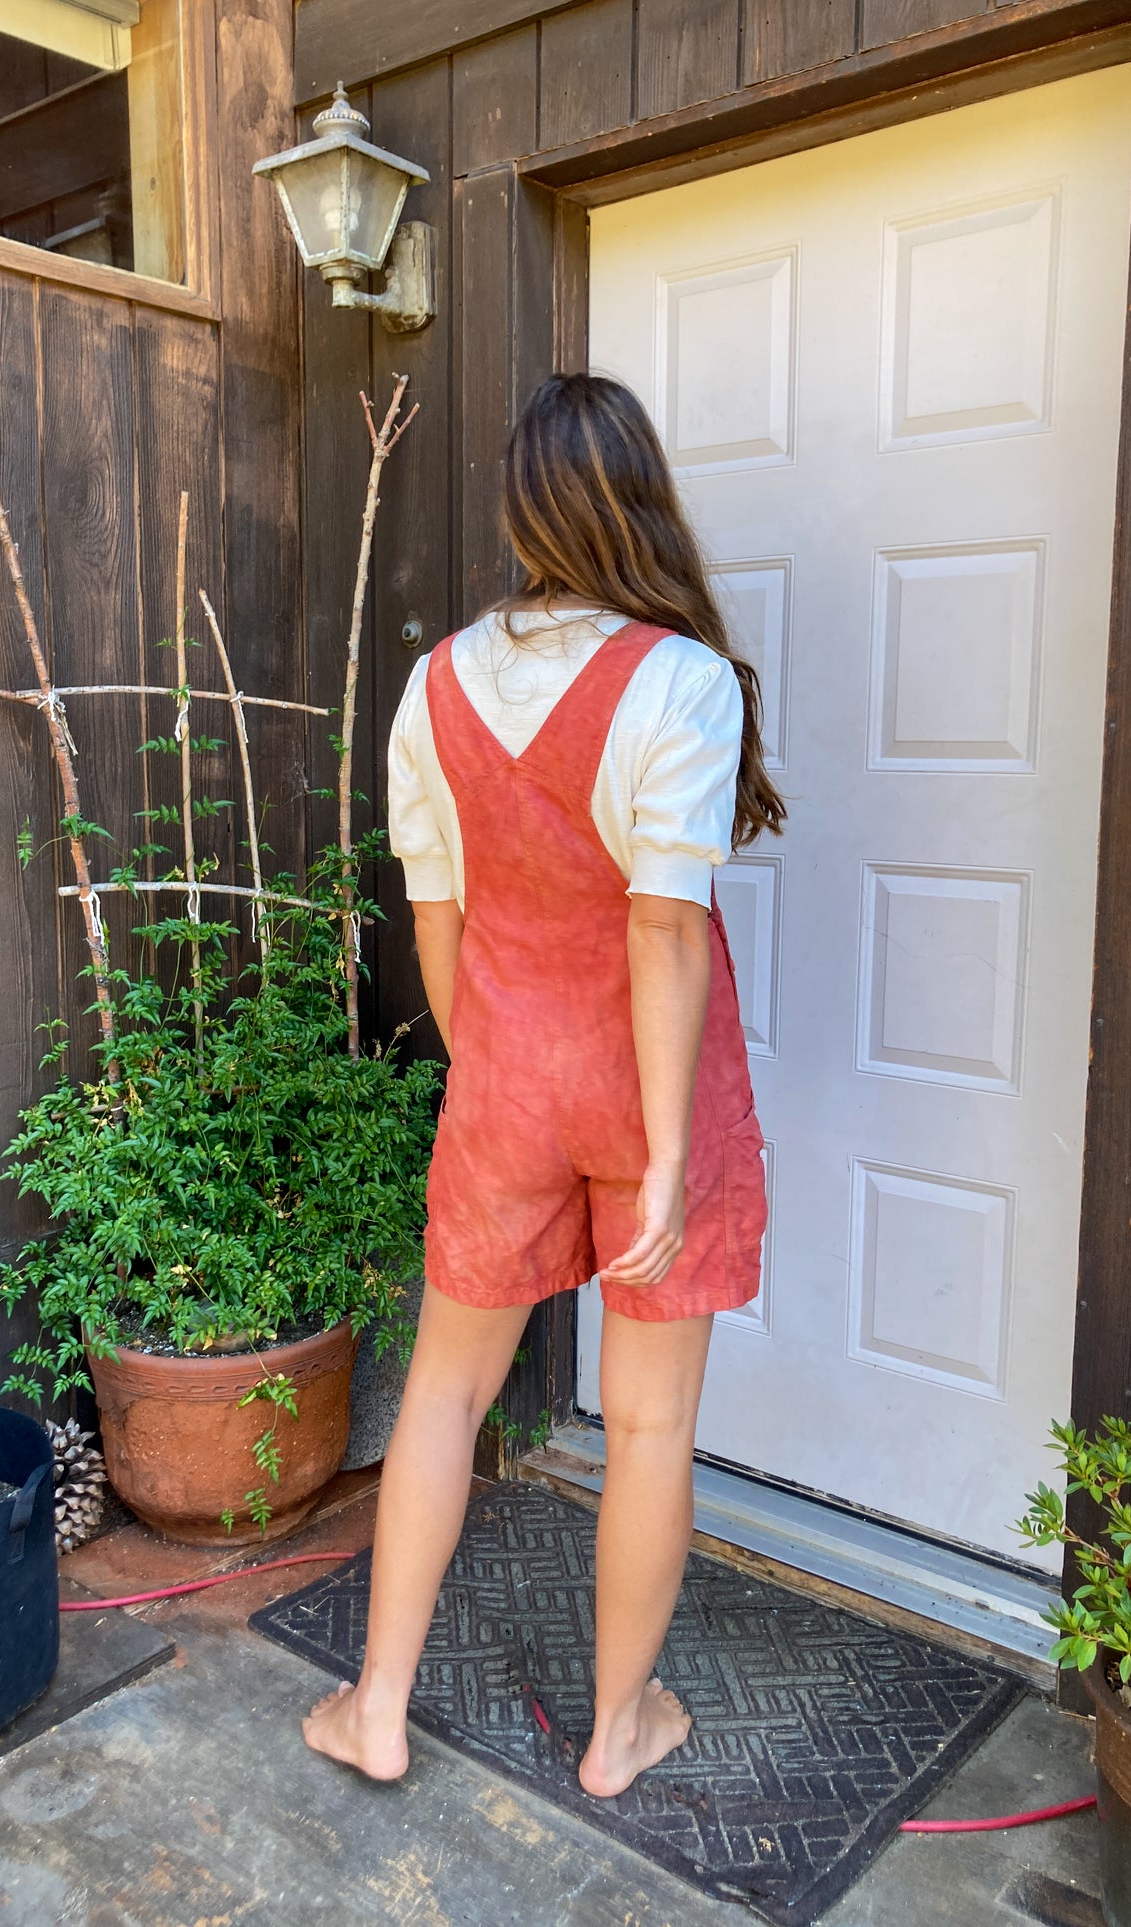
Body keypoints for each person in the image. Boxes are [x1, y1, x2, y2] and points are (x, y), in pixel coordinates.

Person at [303, 371, 787, 1798]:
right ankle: (616, 1731)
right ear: (638, 503)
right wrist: (653, 1151)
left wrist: (497, 1069)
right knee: (644, 1423)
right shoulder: (679, 681)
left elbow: (435, 923)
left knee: (446, 1397)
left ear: (524, 508)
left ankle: (377, 1705)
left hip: (505, 1081)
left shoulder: (433, 682)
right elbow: (660, 926)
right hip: (649, 1098)